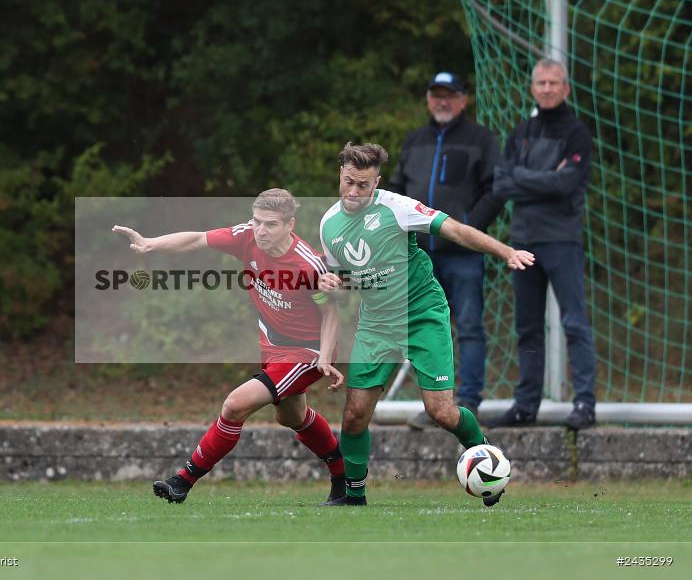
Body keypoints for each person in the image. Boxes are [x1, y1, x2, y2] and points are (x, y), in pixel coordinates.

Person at [318, 142, 534, 506]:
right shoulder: (329, 225)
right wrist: (333, 282)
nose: (354, 192)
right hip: (377, 323)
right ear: (340, 176)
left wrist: (506, 251)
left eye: (363, 185)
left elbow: (456, 230)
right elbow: (352, 278)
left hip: (422, 314)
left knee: (441, 411)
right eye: (348, 182)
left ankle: (485, 460)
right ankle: (353, 494)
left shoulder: (397, 208)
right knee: (354, 415)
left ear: (378, 182)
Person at [113, 188, 346, 504]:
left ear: (290, 224)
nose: (260, 230)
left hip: (306, 352)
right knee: (292, 417)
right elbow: (197, 239)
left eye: (271, 224)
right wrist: (151, 243)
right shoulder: (246, 236)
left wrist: (326, 357)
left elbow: (330, 312)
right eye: (257, 221)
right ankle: (343, 476)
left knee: (235, 405)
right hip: (273, 346)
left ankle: (182, 480)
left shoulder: (308, 265)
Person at [388, 72, 502, 428]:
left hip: (463, 256)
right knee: (424, 327)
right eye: (436, 94)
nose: (442, 101)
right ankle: (433, 403)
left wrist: (468, 227)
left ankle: (468, 401)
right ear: (427, 99)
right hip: (419, 258)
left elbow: (495, 190)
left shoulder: (481, 139)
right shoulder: (413, 141)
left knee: (468, 325)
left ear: (463, 99)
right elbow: (394, 190)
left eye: (449, 95)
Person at [491, 58, 597, 431]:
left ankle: (584, 403)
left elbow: (565, 184)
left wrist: (522, 179)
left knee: (574, 322)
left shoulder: (578, 133)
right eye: (541, 83)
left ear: (566, 88)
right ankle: (525, 405)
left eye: (554, 83)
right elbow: (501, 184)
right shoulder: (520, 132)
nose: (547, 88)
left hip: (561, 239)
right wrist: (538, 179)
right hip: (522, 242)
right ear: (532, 87)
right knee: (528, 326)